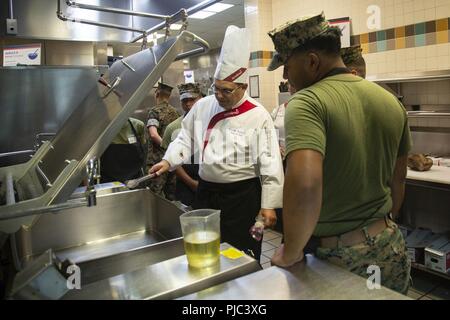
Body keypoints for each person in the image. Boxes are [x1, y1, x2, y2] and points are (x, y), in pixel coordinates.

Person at [267, 13, 411, 294]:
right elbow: (400, 178)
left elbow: (306, 185)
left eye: (286, 65)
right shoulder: (390, 101)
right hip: (390, 245)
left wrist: (291, 252)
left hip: (340, 259)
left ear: (311, 61)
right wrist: (380, 224)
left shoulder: (307, 102)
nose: (285, 76)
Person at [150, 25, 284, 261]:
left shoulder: (258, 114)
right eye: (216, 88)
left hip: (241, 197)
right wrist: (167, 160)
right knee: (208, 250)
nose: (219, 96)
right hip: (206, 193)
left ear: (242, 86)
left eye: (226, 91)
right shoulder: (204, 105)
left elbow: (270, 162)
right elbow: (186, 137)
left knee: (242, 253)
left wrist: (269, 204)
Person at [161, 83, 202, 207]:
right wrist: (192, 183)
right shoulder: (173, 127)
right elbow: (173, 162)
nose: (188, 104)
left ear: (201, 98)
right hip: (186, 185)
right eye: (184, 101)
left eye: (192, 100)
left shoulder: (212, 121)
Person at [146, 82, 180, 199]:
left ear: (157, 94)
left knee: (155, 196)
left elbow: (153, 134)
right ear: (169, 96)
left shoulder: (154, 111)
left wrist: (166, 147)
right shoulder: (176, 112)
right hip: (173, 162)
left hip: (158, 162)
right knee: (171, 195)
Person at [100, 117, 146, 183]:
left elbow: (143, 146)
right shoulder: (102, 127)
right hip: (108, 179)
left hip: (134, 179)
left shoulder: (138, 125)